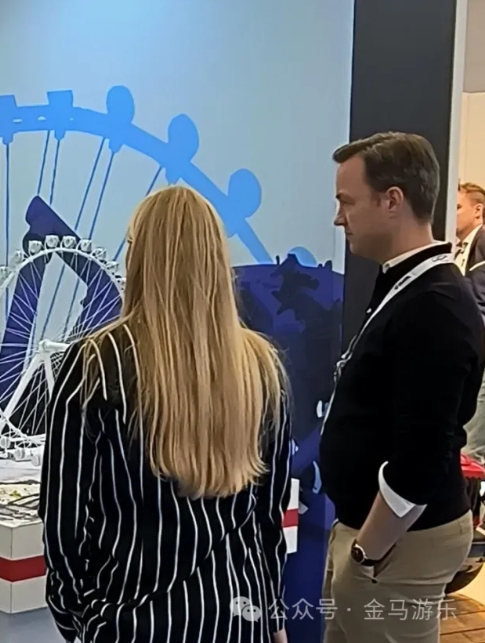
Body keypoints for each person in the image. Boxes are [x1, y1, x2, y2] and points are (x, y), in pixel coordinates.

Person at [39, 185, 292, 643]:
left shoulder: (96, 363)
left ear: (139, 257)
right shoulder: (260, 367)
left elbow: (64, 524)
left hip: (130, 620)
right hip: (237, 617)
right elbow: (267, 518)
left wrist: (80, 619)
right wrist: (271, 615)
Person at [319, 132, 483, 643]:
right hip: (378, 540)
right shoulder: (407, 284)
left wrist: (366, 553)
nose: (339, 218)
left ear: (392, 200)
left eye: (347, 202)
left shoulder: (435, 304)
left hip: (395, 547)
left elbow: (421, 456)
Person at [455, 182, 485, 462]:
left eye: (458, 207)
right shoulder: (459, 250)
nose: (452, 214)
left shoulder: (483, 242)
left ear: (478, 211)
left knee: (471, 450)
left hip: (480, 345)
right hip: (470, 345)